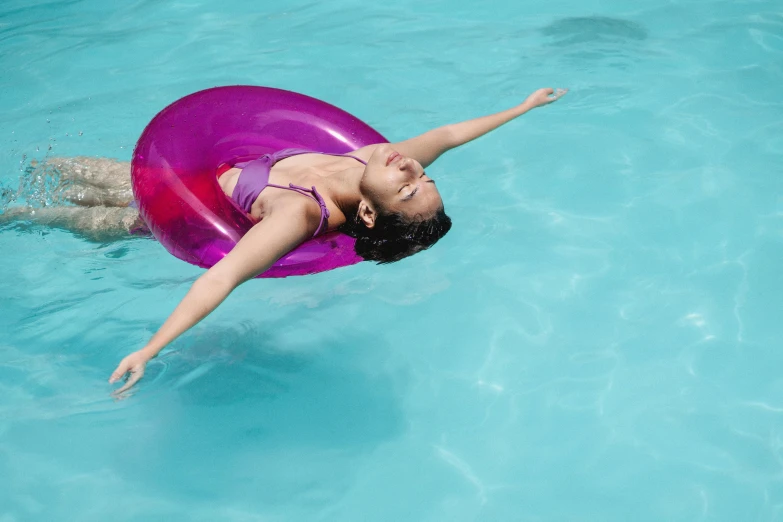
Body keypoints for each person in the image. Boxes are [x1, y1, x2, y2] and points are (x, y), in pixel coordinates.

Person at [3, 86, 567, 393]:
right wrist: (522, 107)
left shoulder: (297, 215)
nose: (412, 169)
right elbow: (447, 136)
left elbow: (222, 276)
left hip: (177, 210)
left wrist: (150, 348)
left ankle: (14, 214)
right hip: (200, 168)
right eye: (422, 176)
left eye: (408, 185)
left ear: (368, 213)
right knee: (70, 168)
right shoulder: (377, 164)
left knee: (68, 216)